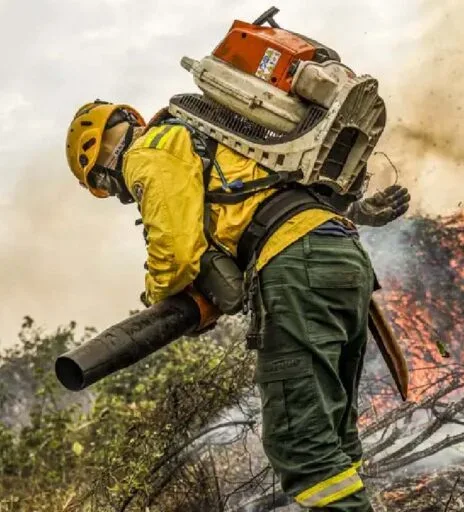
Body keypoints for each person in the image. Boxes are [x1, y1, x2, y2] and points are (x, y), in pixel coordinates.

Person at [65, 100, 410, 510]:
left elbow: (175, 252)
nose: (120, 192)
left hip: (296, 267)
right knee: (331, 433)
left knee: (301, 445)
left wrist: (158, 297)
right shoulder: (216, 139)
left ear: (99, 157)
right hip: (344, 261)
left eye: (108, 185)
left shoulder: (150, 149)